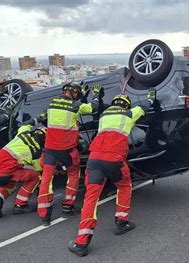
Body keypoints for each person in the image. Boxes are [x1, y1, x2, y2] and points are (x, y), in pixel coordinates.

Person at [68, 88, 156, 257]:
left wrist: (96, 95)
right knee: (124, 186)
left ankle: (81, 242)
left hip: (94, 161)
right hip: (115, 161)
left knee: (91, 198)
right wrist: (151, 97)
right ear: (126, 105)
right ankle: (121, 222)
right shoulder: (130, 113)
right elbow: (144, 106)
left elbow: (95, 108)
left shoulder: (103, 116)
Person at [38, 83, 103, 226]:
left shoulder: (51, 104)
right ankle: (68, 206)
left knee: (46, 180)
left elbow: (42, 118)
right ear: (73, 93)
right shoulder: (75, 106)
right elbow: (93, 108)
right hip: (67, 150)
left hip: (50, 149)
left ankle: (44, 216)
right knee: (73, 175)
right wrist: (96, 94)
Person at [0, 118, 47, 219]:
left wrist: (39, 119)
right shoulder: (36, 152)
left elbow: (25, 124)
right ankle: (20, 205)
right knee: (35, 177)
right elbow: (40, 169)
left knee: (10, 185)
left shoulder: (23, 133)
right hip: (6, 171)